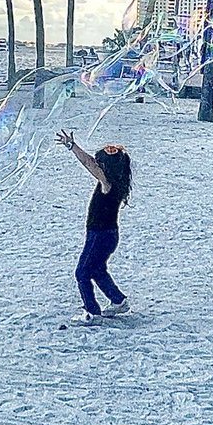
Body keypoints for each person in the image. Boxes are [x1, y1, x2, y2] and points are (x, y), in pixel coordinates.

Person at [56, 130, 132, 324]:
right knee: (97, 269)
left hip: (100, 236)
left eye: (101, 163)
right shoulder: (118, 181)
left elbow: (89, 163)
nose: (97, 164)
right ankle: (118, 300)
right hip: (108, 235)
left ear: (105, 167)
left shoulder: (107, 183)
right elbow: (92, 162)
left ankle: (92, 312)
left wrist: (72, 146)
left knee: (82, 272)